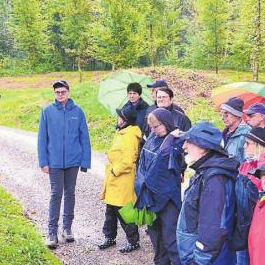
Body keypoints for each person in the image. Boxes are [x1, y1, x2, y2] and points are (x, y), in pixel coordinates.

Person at [37, 80, 92, 249]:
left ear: (68, 92)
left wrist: (85, 161)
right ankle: (51, 232)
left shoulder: (78, 111)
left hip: (72, 161)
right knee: (56, 194)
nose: (60, 95)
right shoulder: (47, 111)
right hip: (54, 161)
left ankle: (67, 228)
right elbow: (42, 139)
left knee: (70, 193)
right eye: (57, 92)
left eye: (63, 92)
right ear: (54, 94)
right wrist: (43, 162)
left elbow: (84, 137)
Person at [177, 122, 239, 265]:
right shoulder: (205, 172)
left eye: (189, 141)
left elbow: (213, 228)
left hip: (208, 259)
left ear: (204, 147)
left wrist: (199, 260)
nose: (184, 146)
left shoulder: (214, 179)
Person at [135, 108, 185, 265]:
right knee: (156, 238)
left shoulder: (176, 142)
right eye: (151, 127)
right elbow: (142, 164)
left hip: (168, 199)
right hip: (150, 197)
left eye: (157, 126)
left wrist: (170, 138)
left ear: (167, 124)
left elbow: (160, 165)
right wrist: (141, 185)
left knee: (171, 240)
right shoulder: (152, 137)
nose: (154, 130)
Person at [98, 106, 141, 253]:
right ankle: (109, 237)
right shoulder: (121, 132)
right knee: (110, 210)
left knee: (124, 210)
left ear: (126, 120)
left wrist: (114, 171)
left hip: (122, 179)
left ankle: (133, 241)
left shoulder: (129, 136)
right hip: (114, 180)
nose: (118, 119)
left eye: (121, 117)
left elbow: (128, 161)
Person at [234, 127, 265, 265]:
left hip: (258, 224)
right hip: (241, 224)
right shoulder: (244, 165)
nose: (244, 146)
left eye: (248, 143)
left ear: (258, 146)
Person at [220, 97, 251, 162]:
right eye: (221, 114)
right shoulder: (224, 133)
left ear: (237, 115)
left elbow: (248, 162)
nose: (222, 118)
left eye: (226, 114)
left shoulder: (247, 134)